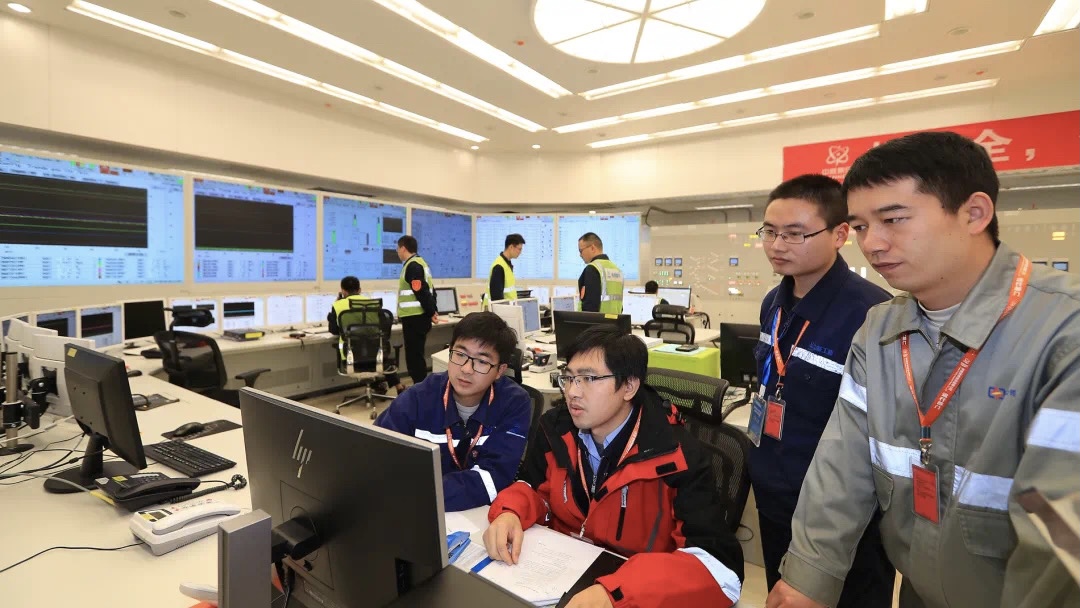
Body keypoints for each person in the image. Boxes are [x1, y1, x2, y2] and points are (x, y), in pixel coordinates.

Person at [766, 132, 1080, 608]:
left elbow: (1062, 537)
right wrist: (809, 577)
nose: (873, 243)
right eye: (862, 226)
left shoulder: (1062, 330)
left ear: (974, 213)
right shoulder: (881, 328)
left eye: (893, 220)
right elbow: (843, 464)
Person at [482, 325, 744, 607]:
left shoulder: (676, 456)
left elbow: (720, 572)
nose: (572, 392)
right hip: (559, 578)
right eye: (568, 378)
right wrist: (510, 511)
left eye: (588, 378)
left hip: (637, 593)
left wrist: (618, 593)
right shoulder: (556, 429)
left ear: (629, 386)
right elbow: (534, 488)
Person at [751, 174, 894, 606]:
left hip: (841, 511)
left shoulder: (871, 312)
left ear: (840, 234)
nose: (778, 244)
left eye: (795, 234)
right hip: (775, 490)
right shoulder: (773, 302)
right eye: (770, 232)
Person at [375, 312, 531, 512]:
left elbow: (496, 476)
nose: (466, 369)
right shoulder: (418, 398)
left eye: (482, 362)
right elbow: (378, 455)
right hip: (419, 511)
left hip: (481, 515)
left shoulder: (514, 403)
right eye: (460, 354)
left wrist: (422, 492)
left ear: (500, 371)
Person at [327, 275, 401, 392]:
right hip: (376, 356)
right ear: (360, 290)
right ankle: (395, 386)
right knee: (377, 350)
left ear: (343, 291)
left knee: (362, 348)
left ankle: (377, 386)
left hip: (350, 356)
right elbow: (384, 327)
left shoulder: (337, 305)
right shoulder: (373, 303)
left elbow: (334, 331)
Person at [396, 235, 438, 385]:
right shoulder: (421, 263)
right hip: (418, 317)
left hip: (415, 318)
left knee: (414, 358)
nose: (397, 252)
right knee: (416, 356)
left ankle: (420, 389)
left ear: (403, 248)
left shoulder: (412, 266)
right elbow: (431, 289)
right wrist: (433, 310)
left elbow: (421, 291)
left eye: (398, 249)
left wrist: (431, 311)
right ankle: (420, 388)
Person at [577, 232, 623, 314]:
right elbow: (619, 306)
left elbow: (590, 307)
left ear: (592, 248)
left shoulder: (592, 269)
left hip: (597, 324)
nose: (580, 255)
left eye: (581, 251)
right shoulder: (617, 270)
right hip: (615, 324)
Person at [486, 233, 525, 306]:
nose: (520, 252)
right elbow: (497, 299)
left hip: (508, 311)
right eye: (519, 249)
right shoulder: (499, 266)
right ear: (511, 247)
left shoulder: (506, 264)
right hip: (499, 313)